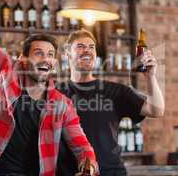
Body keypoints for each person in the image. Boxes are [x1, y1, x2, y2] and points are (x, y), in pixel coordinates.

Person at [0, 0, 99, 175]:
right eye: (38, 53)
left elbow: (81, 145)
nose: (45, 59)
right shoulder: (8, 71)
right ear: (23, 59)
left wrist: (89, 165)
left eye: (50, 55)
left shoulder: (62, 105)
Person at [56, 29, 165, 176]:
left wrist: (151, 77)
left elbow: (156, 110)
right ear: (67, 54)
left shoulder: (116, 91)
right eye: (80, 46)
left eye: (91, 47)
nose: (87, 51)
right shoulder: (55, 94)